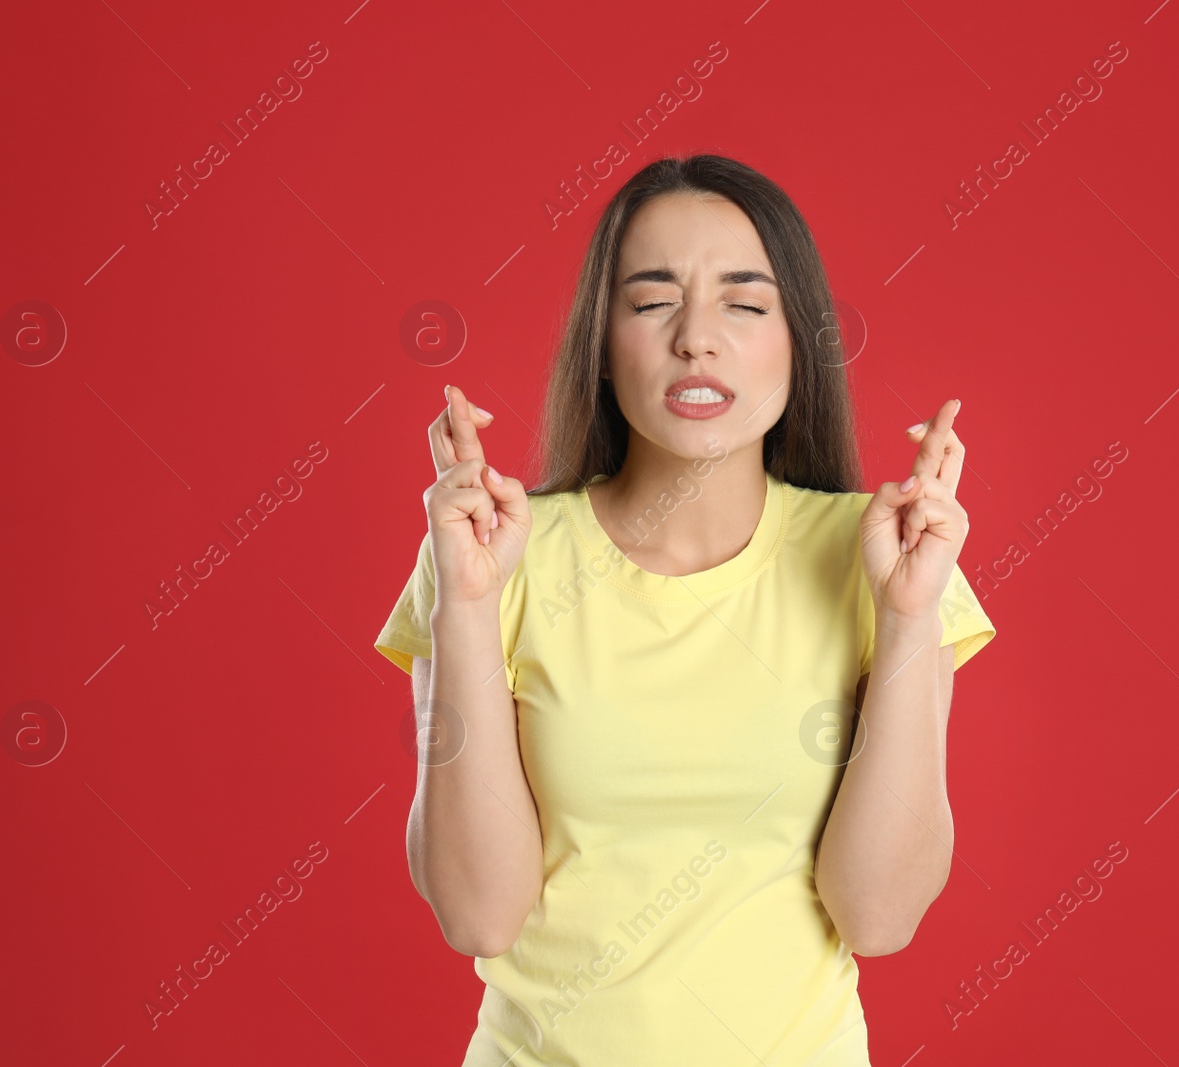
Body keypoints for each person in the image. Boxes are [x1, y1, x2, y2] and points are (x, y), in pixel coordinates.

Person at [374, 154, 996, 1066]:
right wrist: (468, 607)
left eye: (744, 304)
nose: (696, 338)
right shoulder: (487, 556)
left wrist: (906, 616)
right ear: (602, 339)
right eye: (653, 300)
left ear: (798, 339)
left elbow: (881, 914)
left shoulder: (888, 556)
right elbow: (478, 913)